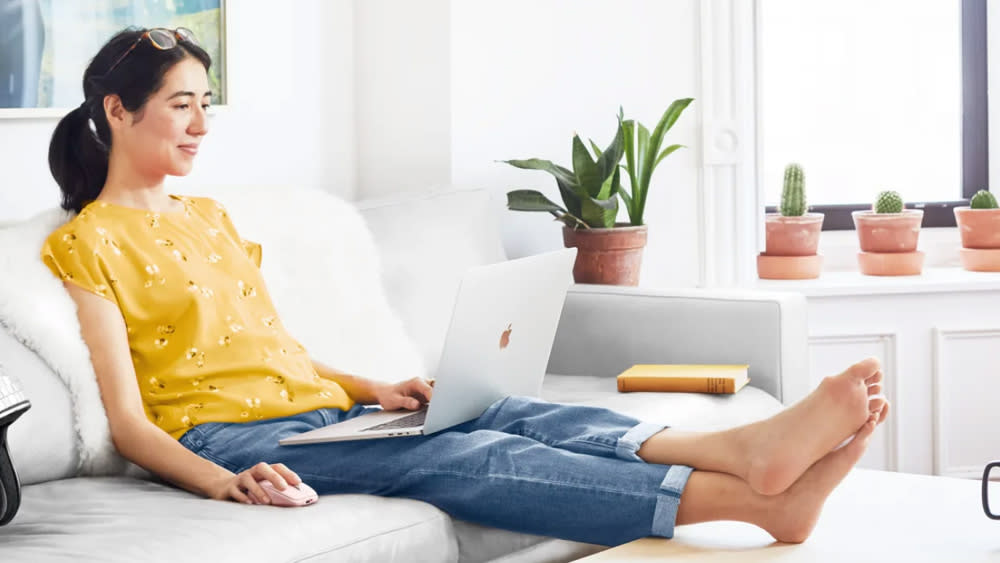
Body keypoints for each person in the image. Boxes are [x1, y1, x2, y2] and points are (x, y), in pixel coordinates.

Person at [42, 27, 889, 547]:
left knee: (501, 409)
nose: (200, 125)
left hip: (323, 414)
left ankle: (744, 453)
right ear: (118, 111)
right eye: (181, 105)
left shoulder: (212, 218)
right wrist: (218, 479)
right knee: (464, 452)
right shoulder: (89, 243)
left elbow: (274, 352)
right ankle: (748, 500)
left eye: (206, 104)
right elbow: (127, 421)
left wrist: (376, 387)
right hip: (235, 442)